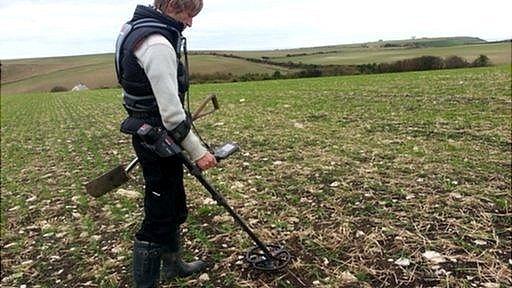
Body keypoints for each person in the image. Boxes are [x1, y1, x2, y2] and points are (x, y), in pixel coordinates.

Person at [114, 0, 216, 287]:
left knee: (172, 199)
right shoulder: (156, 43)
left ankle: (173, 265)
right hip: (157, 137)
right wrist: (199, 152)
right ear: (171, 4)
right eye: (187, 13)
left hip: (151, 132)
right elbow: (171, 115)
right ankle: (145, 283)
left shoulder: (135, 28)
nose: (190, 22)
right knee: (159, 211)